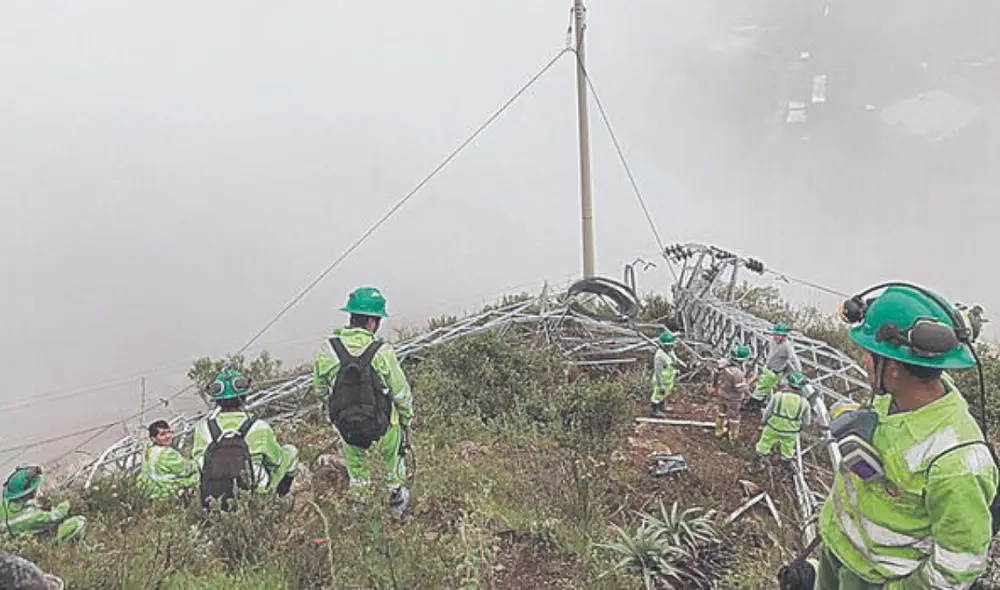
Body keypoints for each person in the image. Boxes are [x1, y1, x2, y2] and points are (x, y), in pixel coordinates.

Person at [806, 284, 998, 589]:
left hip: (877, 578)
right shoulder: (897, 395)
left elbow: (958, 566)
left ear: (893, 368)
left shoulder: (956, 463)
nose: (864, 361)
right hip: (838, 551)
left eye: (869, 354)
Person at [313, 286, 414, 518]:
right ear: (371, 321)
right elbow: (401, 394)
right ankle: (395, 514)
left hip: (348, 428)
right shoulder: (382, 352)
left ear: (351, 316)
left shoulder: (327, 350)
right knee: (393, 474)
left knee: (358, 475)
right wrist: (406, 421)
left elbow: (320, 390)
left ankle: (359, 518)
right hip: (385, 427)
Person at [191, 368, 299, 506]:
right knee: (290, 451)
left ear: (217, 401)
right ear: (244, 398)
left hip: (214, 495)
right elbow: (276, 461)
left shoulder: (203, 428)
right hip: (254, 491)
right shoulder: (259, 427)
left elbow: (199, 464)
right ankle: (279, 498)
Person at [0, 466, 86, 541]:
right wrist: (67, 504)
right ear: (30, 493)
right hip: (27, 537)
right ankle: (58, 544)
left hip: (8, 536)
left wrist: (39, 506)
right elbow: (57, 515)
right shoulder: (34, 516)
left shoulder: (3, 503)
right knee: (79, 521)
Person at [754, 371, 812, 469]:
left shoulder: (778, 396)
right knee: (788, 448)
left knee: (764, 443)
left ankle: (756, 463)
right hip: (790, 431)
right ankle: (785, 464)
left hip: (773, 427)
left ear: (788, 383)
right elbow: (807, 422)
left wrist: (763, 422)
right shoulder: (804, 403)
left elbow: (768, 412)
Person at [136, 420, 199, 501]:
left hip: (152, 489)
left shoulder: (149, 450)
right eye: (162, 434)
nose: (168, 436)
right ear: (153, 438)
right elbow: (186, 470)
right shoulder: (167, 453)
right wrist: (197, 463)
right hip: (166, 490)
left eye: (169, 432)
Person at [749, 322, 802, 408]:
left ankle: (754, 405)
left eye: (780, 335)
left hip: (774, 372)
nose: (777, 336)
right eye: (776, 334)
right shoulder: (773, 341)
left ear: (785, 336)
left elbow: (794, 359)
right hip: (767, 368)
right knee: (760, 387)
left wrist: (799, 372)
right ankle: (758, 403)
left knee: (761, 390)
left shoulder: (787, 346)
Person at [711, 345, 751, 440]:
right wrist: (749, 382)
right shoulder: (737, 373)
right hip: (733, 398)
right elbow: (739, 389)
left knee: (721, 412)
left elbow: (715, 374)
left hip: (722, 392)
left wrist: (714, 386)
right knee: (734, 417)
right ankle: (733, 436)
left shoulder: (723, 364)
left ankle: (719, 431)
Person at [650, 330, 681, 418]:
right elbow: (658, 371)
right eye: (668, 345)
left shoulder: (670, 352)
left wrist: (676, 370)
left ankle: (662, 407)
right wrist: (660, 385)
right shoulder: (659, 356)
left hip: (668, 379)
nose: (670, 347)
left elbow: (672, 363)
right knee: (657, 395)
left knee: (664, 394)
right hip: (661, 380)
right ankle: (655, 410)